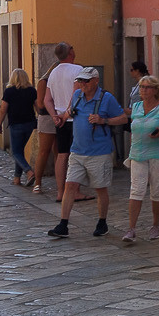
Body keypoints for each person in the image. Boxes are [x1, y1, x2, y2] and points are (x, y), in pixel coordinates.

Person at [49, 69, 124, 239]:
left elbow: (122, 118)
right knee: (70, 185)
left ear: (96, 80)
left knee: (100, 188)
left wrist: (103, 120)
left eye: (86, 81)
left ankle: (102, 222)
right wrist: (61, 118)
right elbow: (70, 112)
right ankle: (63, 224)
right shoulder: (77, 95)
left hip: (99, 153)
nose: (83, 84)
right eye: (81, 81)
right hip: (77, 151)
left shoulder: (106, 98)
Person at [122, 75, 159, 245]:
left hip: (158, 154)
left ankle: (155, 225)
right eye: (141, 87)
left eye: (147, 87)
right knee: (136, 190)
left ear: (155, 90)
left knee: (156, 190)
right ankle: (131, 229)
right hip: (137, 154)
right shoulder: (136, 107)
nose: (144, 90)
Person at [42, 43, 85, 197]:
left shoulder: (53, 73)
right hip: (76, 119)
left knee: (62, 155)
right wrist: (67, 113)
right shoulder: (78, 70)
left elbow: (47, 100)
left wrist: (55, 116)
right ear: (70, 53)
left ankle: (60, 192)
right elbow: (76, 95)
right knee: (77, 156)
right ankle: (75, 191)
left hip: (60, 121)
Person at [1, 66, 40, 186]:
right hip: (29, 123)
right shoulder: (32, 91)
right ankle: (17, 178)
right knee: (20, 150)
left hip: (16, 123)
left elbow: (3, 109)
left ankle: (29, 172)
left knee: (15, 152)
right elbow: (38, 107)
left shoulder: (9, 91)